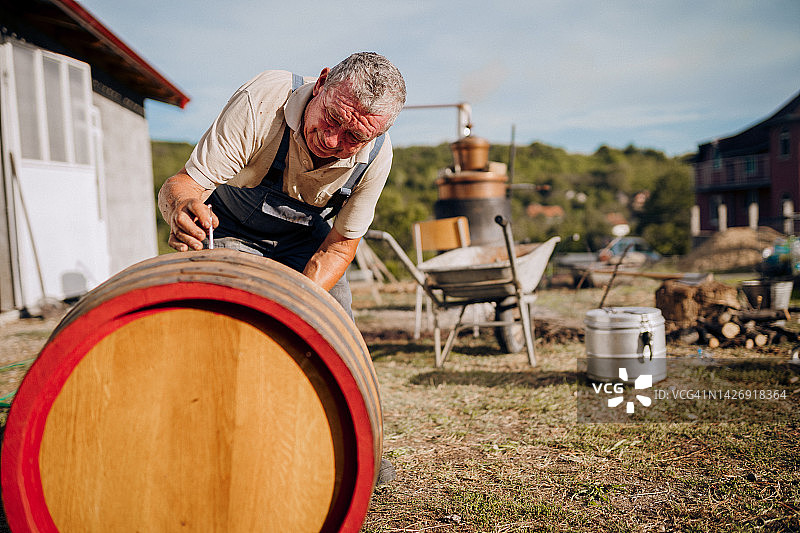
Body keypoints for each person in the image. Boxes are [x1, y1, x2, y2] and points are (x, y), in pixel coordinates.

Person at [158, 52, 406, 320]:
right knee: (222, 314)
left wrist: (298, 305)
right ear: (321, 83)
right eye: (332, 117)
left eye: (354, 136)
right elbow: (186, 184)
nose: (332, 141)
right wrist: (180, 207)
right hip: (228, 228)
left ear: (375, 135)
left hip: (305, 242)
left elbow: (339, 246)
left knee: (329, 316)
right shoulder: (264, 99)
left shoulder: (376, 156)